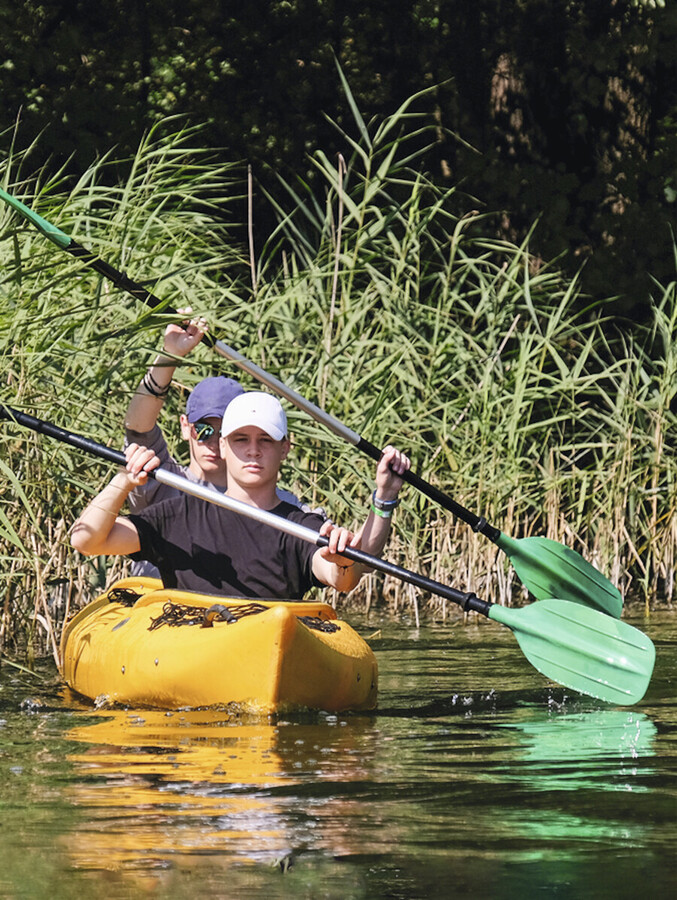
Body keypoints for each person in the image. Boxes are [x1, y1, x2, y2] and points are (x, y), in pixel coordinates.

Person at [71, 391, 410, 599]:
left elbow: (344, 579)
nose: (253, 451)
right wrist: (123, 482)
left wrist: (383, 501)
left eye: (265, 440)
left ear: (284, 449)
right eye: (240, 440)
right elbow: (87, 541)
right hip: (189, 645)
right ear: (222, 446)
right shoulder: (178, 516)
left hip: (265, 651)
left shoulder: (302, 526)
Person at [124, 313, 311, 576]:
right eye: (203, 430)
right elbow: (137, 428)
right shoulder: (162, 479)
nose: (212, 442)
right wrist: (169, 354)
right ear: (185, 427)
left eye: (224, 432)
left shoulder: (277, 503)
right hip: (157, 604)